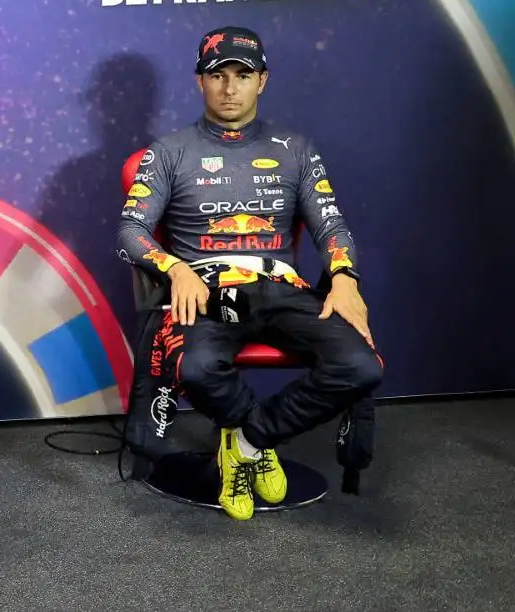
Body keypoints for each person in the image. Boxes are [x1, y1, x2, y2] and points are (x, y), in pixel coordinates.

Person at [117, 26, 383, 520]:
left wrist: (345, 278)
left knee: (362, 365)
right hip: (210, 287)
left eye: (243, 75)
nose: (230, 87)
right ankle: (252, 440)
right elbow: (131, 230)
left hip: (280, 287)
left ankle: (247, 442)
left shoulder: (296, 149)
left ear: (262, 80)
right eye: (219, 76)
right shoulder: (169, 151)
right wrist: (175, 268)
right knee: (195, 368)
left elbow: (332, 225)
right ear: (200, 82)